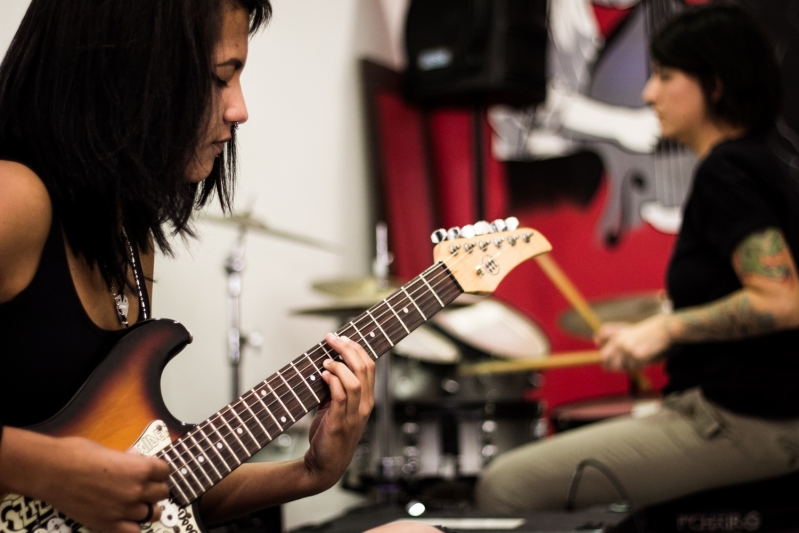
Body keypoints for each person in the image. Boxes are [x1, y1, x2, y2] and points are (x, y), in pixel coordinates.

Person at [0, 2, 435, 533]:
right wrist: (44, 470)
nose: (239, 110)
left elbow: (157, 494)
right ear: (128, 73)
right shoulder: (13, 200)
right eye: (218, 79)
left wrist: (309, 473)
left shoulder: (131, 242)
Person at [476, 3, 799, 513]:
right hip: (746, 415)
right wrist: (657, 322)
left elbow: (782, 302)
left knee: (506, 486)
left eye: (665, 76)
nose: (648, 94)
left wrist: (666, 331)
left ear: (714, 85)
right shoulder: (761, 164)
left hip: (747, 423)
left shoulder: (729, 170)